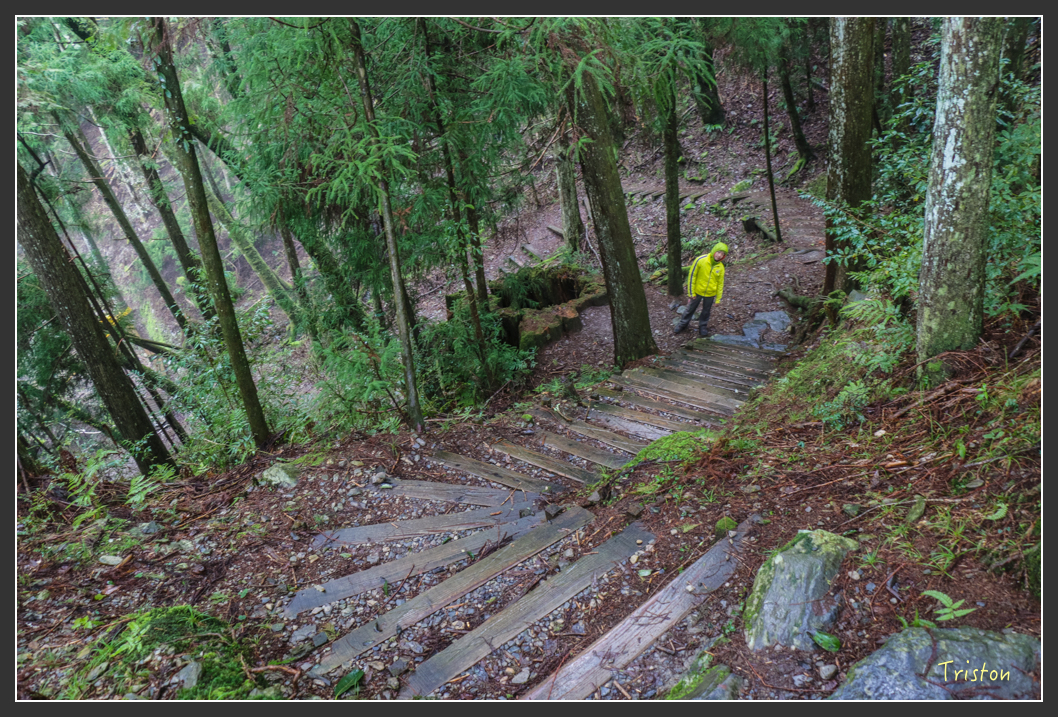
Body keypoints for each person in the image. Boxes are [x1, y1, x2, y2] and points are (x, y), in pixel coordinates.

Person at [674, 242, 728, 337]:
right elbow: (692, 276)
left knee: (706, 311)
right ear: (714, 251)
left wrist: (718, 299)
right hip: (697, 291)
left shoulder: (721, 267)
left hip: (710, 293)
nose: (719, 256)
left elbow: (720, 283)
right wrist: (691, 292)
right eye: (718, 252)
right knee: (690, 309)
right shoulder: (701, 260)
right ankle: (682, 324)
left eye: (722, 254)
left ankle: (702, 327)